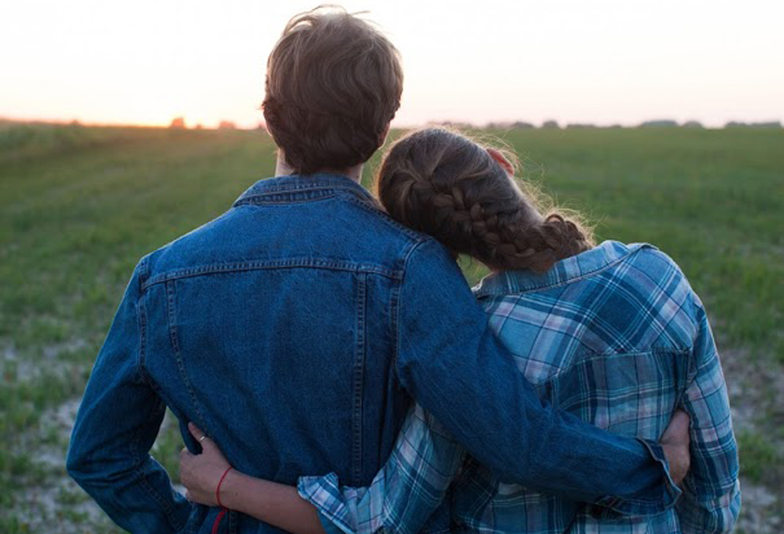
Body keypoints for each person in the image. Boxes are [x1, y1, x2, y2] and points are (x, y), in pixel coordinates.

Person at [67, 8, 688, 534]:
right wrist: (647, 466)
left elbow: (99, 456)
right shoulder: (413, 267)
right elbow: (513, 436)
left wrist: (188, 525)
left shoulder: (161, 278)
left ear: (268, 114)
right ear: (384, 123)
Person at [180, 129, 740, 534]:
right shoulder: (656, 278)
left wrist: (226, 485)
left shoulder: (466, 341)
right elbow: (714, 483)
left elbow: (380, 521)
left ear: (431, 242)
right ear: (501, 162)